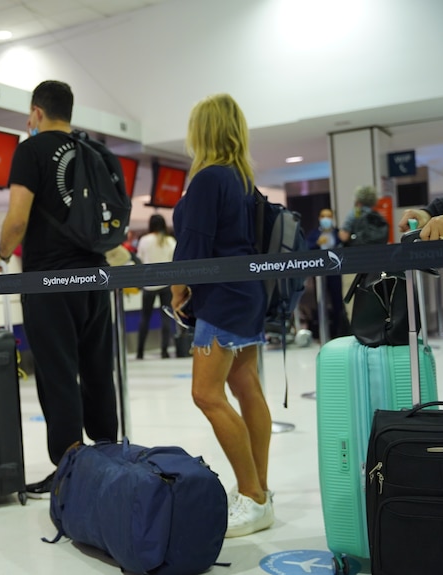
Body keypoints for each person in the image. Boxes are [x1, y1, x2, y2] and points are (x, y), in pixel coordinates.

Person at [0, 80, 118, 496]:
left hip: (49, 279)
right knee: (98, 368)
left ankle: (71, 468)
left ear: (37, 113)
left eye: (30, 115)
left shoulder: (31, 150)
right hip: (95, 277)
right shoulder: (92, 150)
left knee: (58, 373)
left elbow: (17, 218)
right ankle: (108, 456)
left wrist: (3, 254)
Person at [170, 93, 272, 537]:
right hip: (247, 294)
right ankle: (260, 491)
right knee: (245, 385)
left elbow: (193, 244)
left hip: (222, 300)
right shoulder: (242, 180)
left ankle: (252, 494)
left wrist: (178, 288)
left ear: (202, 133)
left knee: (206, 394)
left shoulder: (209, 179)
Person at [136, 214, 177, 359]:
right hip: (166, 283)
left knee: (144, 318)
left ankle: (140, 351)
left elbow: (139, 259)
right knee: (166, 317)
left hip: (148, 283)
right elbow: (174, 260)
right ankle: (164, 351)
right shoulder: (169, 241)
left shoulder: (144, 240)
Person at [305, 208, 345, 339]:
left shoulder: (338, 233)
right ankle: (321, 329)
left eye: (328, 216)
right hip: (320, 273)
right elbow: (306, 248)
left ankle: (339, 329)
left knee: (337, 300)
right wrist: (316, 243)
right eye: (323, 216)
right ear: (319, 218)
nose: (326, 219)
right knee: (320, 300)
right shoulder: (314, 234)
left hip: (335, 271)